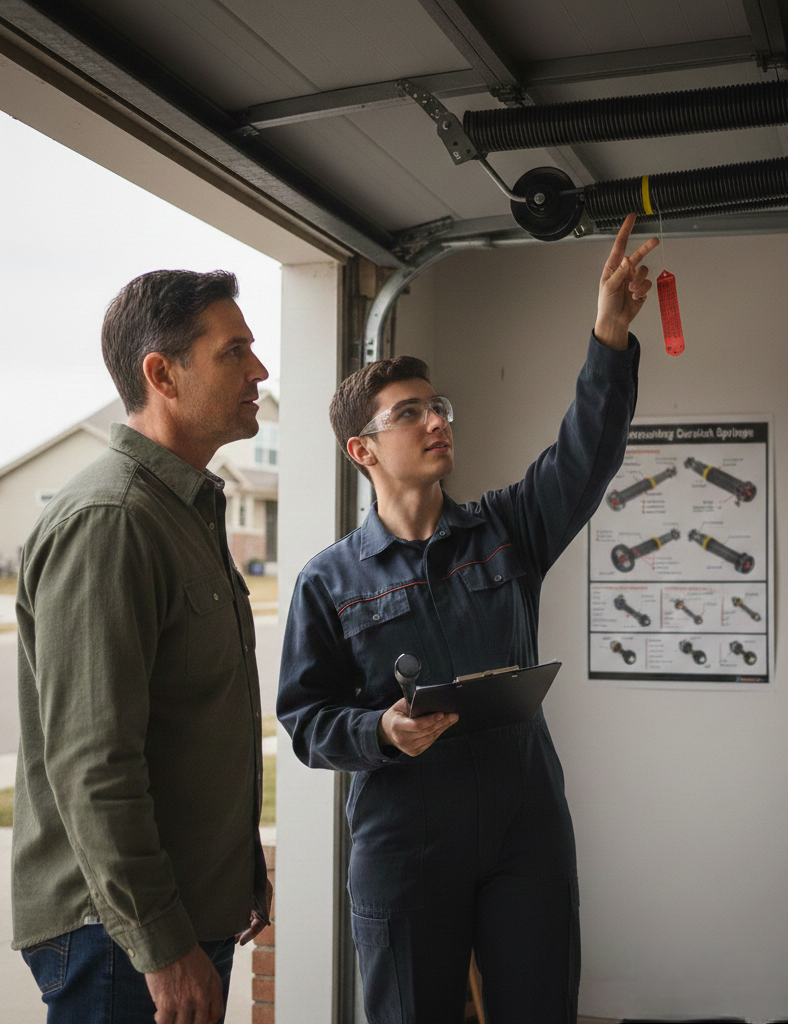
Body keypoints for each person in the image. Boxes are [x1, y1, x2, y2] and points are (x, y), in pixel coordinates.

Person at [277, 216, 657, 1023]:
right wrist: (380, 732)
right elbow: (307, 722)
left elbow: (587, 452)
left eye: (438, 406)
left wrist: (609, 336)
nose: (437, 420)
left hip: (526, 829)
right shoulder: (328, 581)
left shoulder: (507, 529)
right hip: (405, 842)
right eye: (410, 413)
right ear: (362, 451)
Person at [13, 270, 273, 1024]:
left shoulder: (182, 509)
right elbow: (94, 762)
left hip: (178, 918)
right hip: (120, 939)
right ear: (161, 373)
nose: (259, 371)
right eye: (235, 353)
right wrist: (160, 945)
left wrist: (237, 874)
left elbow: (192, 724)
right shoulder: (112, 518)